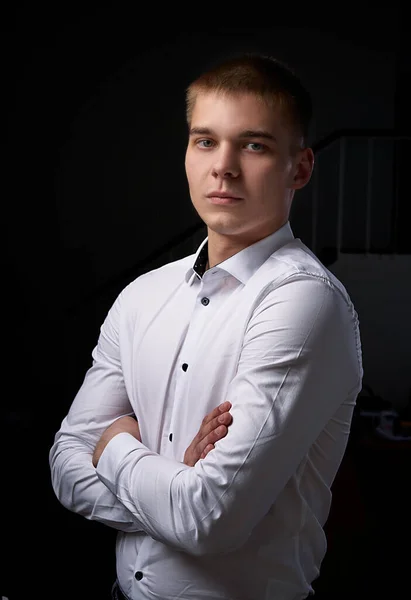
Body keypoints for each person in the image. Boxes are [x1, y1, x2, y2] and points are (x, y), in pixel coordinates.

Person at [49, 52, 363, 600]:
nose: (224, 166)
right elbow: (64, 466)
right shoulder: (142, 295)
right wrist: (173, 479)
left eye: (255, 144)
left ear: (302, 168)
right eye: (205, 141)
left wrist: (117, 448)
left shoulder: (304, 304)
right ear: (189, 154)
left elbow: (209, 519)